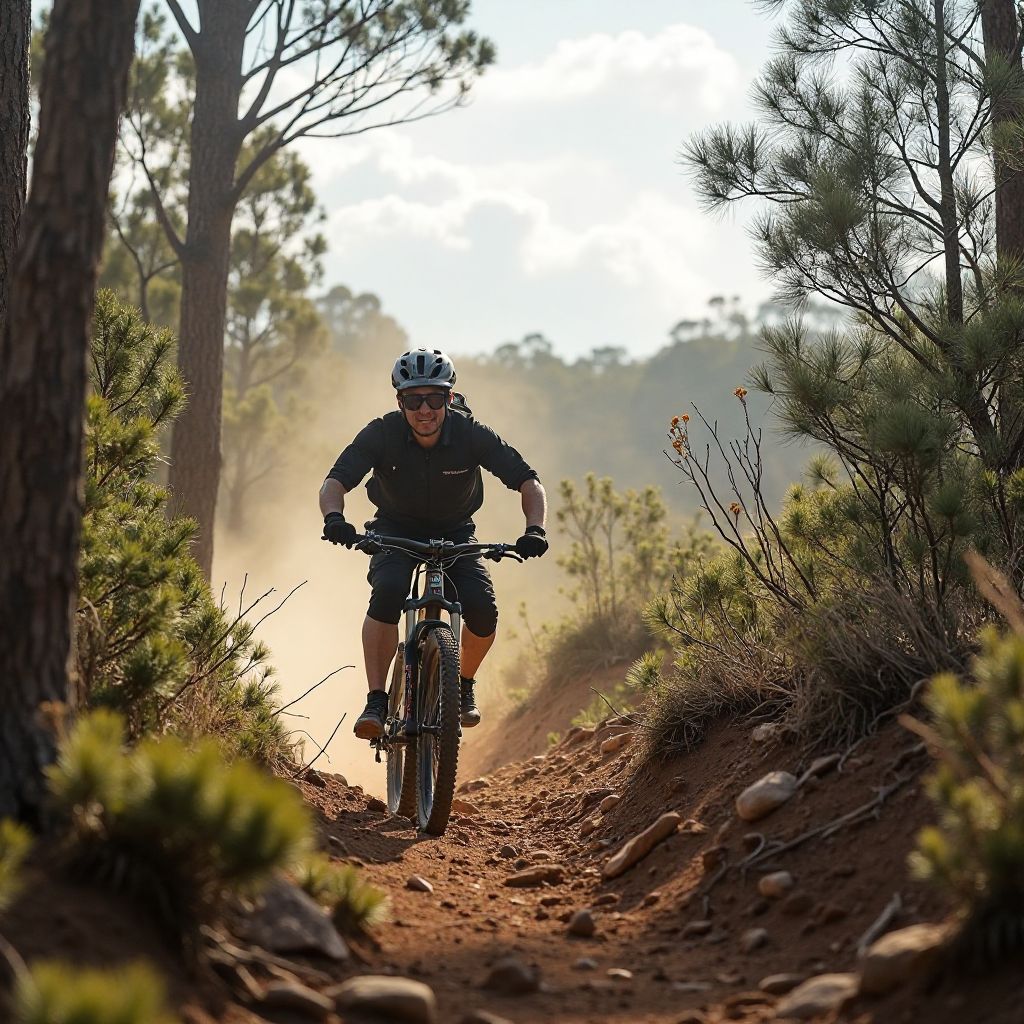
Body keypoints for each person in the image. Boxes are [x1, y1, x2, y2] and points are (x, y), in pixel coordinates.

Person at [319, 347, 549, 740]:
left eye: (434, 399)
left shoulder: (471, 433)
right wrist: (334, 519)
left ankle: (463, 684)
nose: (424, 410)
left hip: (455, 530)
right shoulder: (382, 433)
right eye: (414, 400)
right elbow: (334, 483)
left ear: (448, 397)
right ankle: (376, 700)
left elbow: (528, 482)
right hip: (395, 528)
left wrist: (535, 530)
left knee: (482, 610)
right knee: (388, 592)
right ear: (400, 402)